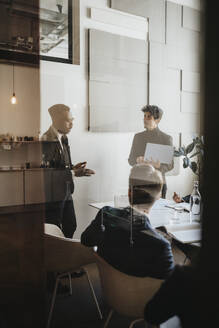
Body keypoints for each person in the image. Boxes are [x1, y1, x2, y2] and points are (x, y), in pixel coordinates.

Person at [81, 164, 174, 279]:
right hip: (141, 295)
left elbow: (86, 240)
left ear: (129, 192)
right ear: (158, 196)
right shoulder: (161, 246)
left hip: (108, 289)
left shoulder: (105, 214)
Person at [42, 104, 95, 238]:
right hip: (53, 195)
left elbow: (62, 166)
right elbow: (47, 174)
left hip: (66, 190)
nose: (71, 124)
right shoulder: (46, 140)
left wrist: (73, 168)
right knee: (54, 228)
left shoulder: (64, 138)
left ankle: (65, 252)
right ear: (55, 119)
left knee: (71, 225)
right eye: (68, 120)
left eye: (73, 120)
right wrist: (72, 173)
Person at [128, 105, 173, 198]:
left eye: (149, 117)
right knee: (138, 212)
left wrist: (158, 166)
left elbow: (170, 165)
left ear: (158, 120)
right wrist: (137, 160)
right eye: (144, 116)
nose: (145, 119)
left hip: (158, 184)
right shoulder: (138, 137)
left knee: (158, 212)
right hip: (139, 182)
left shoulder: (166, 138)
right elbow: (130, 160)